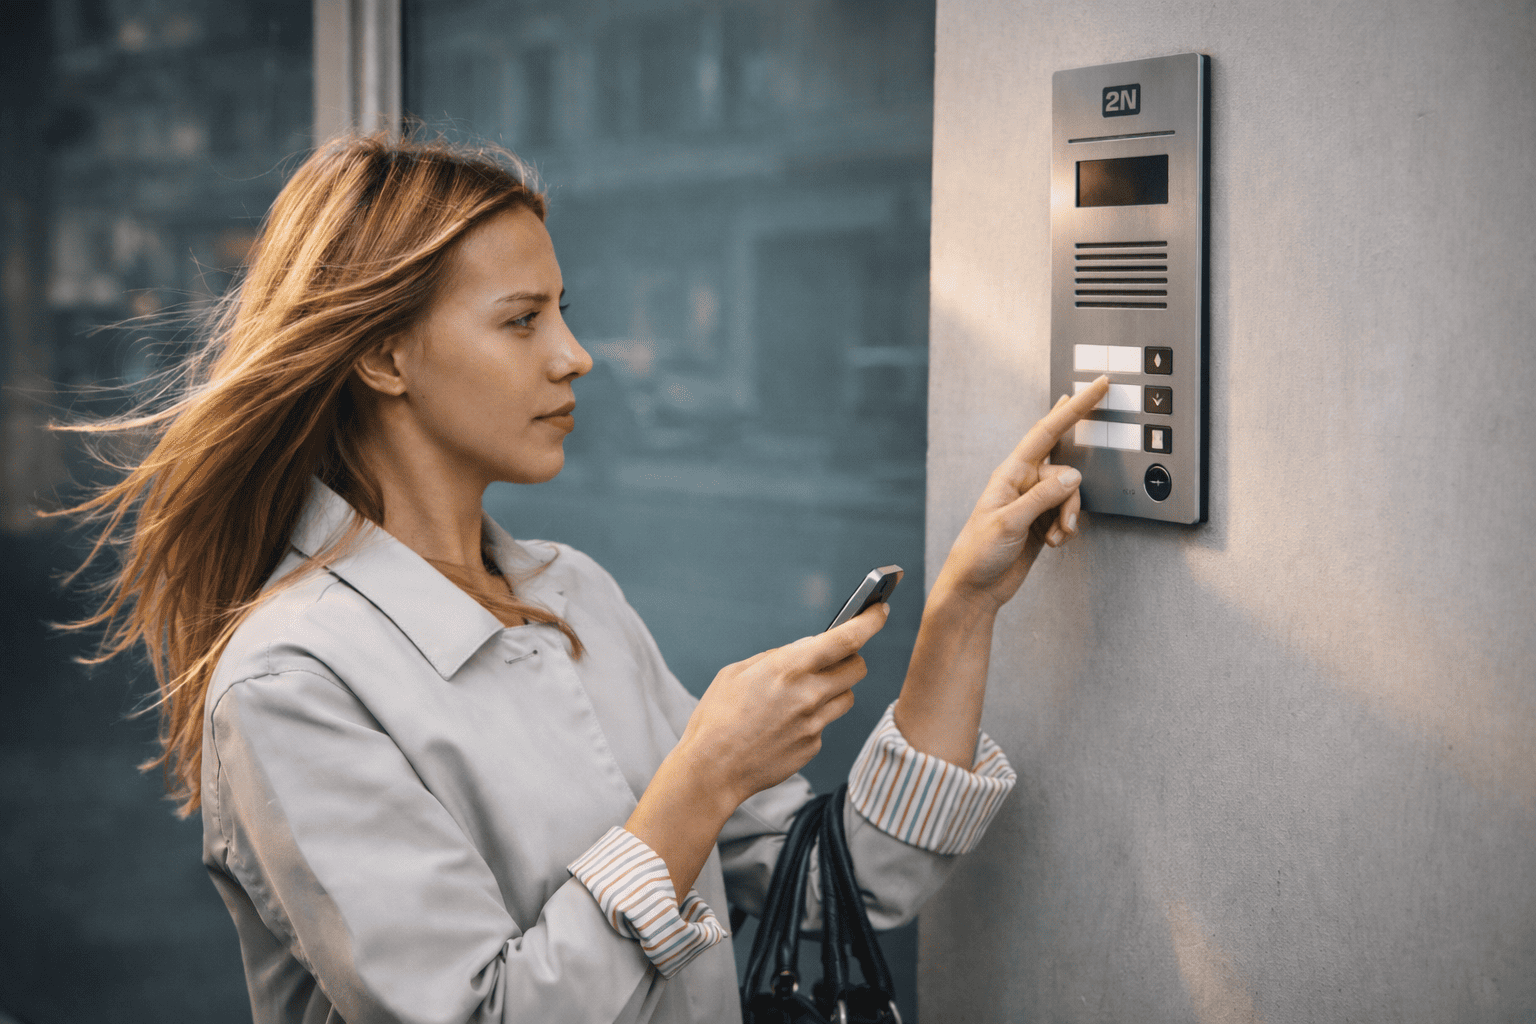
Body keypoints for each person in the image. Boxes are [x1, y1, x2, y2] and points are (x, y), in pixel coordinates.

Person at [61, 134, 1111, 1024]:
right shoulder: (292, 681)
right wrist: (702, 776)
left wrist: (964, 605)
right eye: (522, 320)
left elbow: (841, 886)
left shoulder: (572, 594)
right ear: (383, 357)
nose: (575, 355)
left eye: (561, 311)